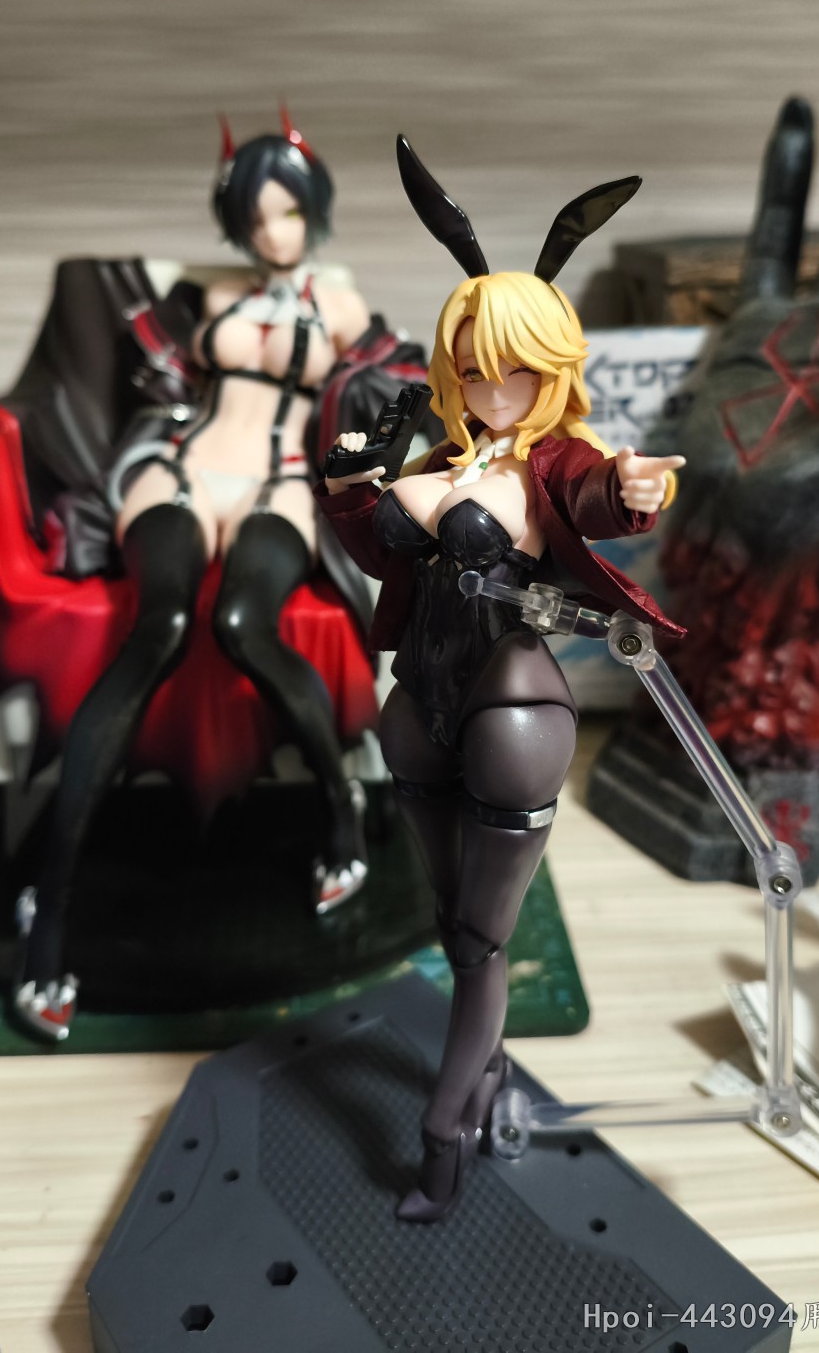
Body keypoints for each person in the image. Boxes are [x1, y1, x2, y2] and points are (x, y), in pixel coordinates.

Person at [317, 137, 684, 1220]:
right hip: (416, 709)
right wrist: (350, 487)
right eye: (474, 368)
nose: (491, 388)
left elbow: (601, 494)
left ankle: (442, 1133)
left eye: (513, 369)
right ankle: (484, 1081)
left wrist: (635, 487)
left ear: (553, 366)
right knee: (456, 927)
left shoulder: (551, 462)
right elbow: (380, 553)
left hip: (512, 709)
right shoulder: (444, 460)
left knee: (480, 941)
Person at [13, 111, 373, 1043]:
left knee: (245, 627)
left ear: (313, 209)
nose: (272, 232)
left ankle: (342, 809)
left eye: (286, 211)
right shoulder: (200, 289)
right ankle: (50, 903)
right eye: (253, 216)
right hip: (179, 467)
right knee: (160, 629)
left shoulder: (343, 306)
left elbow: (377, 398)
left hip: (282, 480)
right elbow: (112, 342)